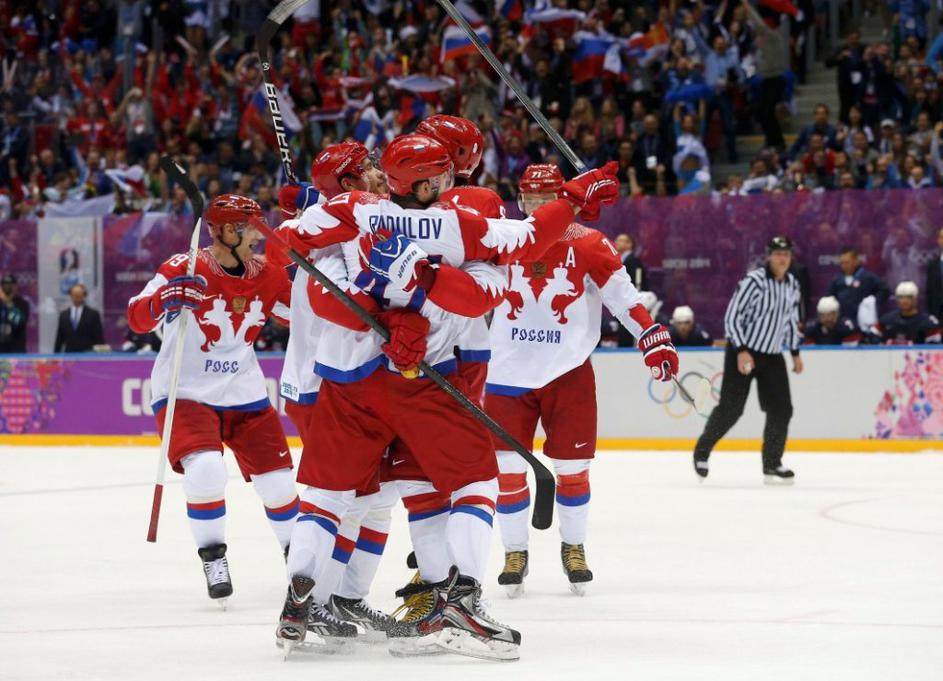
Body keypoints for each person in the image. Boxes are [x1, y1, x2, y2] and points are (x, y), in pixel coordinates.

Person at [274, 134, 620, 660]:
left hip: (353, 384)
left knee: (327, 496)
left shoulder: (355, 209)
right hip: (425, 378)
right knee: (475, 483)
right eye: (442, 175)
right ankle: (460, 603)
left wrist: (311, 209)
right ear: (429, 182)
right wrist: (573, 197)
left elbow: (286, 240)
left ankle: (299, 602)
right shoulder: (455, 224)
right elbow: (527, 240)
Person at [485, 163, 678, 598]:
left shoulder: (590, 243)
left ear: (561, 200)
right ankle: (515, 552)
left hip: (567, 372)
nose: (536, 208)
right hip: (506, 374)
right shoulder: (501, 238)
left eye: (544, 200)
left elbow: (624, 299)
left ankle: (573, 548)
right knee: (507, 469)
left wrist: (651, 335)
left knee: (573, 470)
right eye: (530, 199)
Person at [126, 195, 298, 605]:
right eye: (251, 227)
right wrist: (162, 300)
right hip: (186, 391)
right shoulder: (183, 266)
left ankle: (301, 561)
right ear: (225, 231)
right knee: (205, 469)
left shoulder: (268, 274)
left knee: (278, 485)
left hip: (244, 391)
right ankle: (213, 556)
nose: (258, 235)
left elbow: (302, 314)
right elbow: (136, 316)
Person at [276, 141, 399, 644]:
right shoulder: (329, 240)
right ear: (347, 184)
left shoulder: (335, 223)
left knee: (377, 500)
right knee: (343, 499)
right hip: (327, 385)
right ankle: (314, 604)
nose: (379, 173)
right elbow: (347, 309)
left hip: (341, 382)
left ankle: (341, 599)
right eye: (368, 168)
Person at [693, 236, 803, 485]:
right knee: (732, 409)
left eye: (786, 254)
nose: (782, 258)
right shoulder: (754, 281)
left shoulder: (792, 284)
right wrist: (742, 350)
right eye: (778, 254)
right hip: (743, 351)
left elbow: (790, 321)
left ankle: (772, 462)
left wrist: (795, 353)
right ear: (769, 256)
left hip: (772, 355)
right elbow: (732, 316)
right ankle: (702, 450)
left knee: (781, 409)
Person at [826, 246, 891, 327]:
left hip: (864, 324)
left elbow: (885, 290)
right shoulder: (837, 280)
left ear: (856, 261)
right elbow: (829, 298)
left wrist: (873, 301)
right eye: (842, 263)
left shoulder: (868, 278)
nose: (844, 266)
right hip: (842, 324)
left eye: (847, 262)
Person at [873, 282, 942, 344]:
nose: (904, 301)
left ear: (915, 299)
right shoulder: (886, 320)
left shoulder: (928, 322)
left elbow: (934, 347)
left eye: (909, 297)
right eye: (901, 297)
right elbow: (872, 339)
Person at [54, 284, 105, 352]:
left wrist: (101, 355)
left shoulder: (93, 315)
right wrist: (55, 355)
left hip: (88, 354)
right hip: (69, 354)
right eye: (75, 295)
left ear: (84, 296)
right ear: (71, 296)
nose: (77, 297)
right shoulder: (63, 315)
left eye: (79, 295)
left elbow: (99, 338)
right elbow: (59, 338)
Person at [0, 273, 29, 353]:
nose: (7, 287)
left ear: (16, 287)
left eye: (10, 285)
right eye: (5, 285)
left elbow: (18, 322)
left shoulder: (22, 304)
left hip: (16, 351)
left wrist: (7, 302)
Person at [926, 227, 943, 320]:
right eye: (941, 237)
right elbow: (930, 292)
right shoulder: (932, 265)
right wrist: (931, 315)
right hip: (939, 315)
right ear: (938, 241)